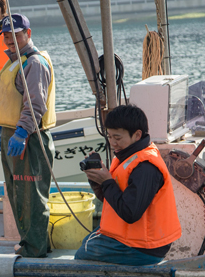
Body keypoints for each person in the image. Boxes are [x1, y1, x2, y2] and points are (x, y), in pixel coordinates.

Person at [75, 105, 181, 266]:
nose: (112, 143)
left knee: (82, 254)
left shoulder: (146, 167)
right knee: (87, 241)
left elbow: (130, 213)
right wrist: (98, 180)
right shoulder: (128, 155)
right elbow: (112, 200)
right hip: (133, 239)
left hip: (144, 247)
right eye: (109, 137)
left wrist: (107, 182)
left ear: (137, 135)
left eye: (117, 138)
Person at [0, 14, 56, 258]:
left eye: (15, 34)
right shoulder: (14, 62)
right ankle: (30, 241)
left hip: (29, 138)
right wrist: (0, 127)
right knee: (17, 192)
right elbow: (12, 100)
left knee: (31, 195)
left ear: (28, 34)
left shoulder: (34, 63)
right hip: (12, 136)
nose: (10, 39)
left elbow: (35, 105)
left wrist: (20, 132)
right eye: (6, 35)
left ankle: (35, 248)